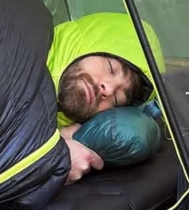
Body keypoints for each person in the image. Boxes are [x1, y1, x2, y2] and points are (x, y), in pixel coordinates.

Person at [44, 11, 160, 184]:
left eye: (117, 98)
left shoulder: (73, 134)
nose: (108, 88)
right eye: (111, 68)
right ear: (86, 43)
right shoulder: (19, 50)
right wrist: (48, 156)